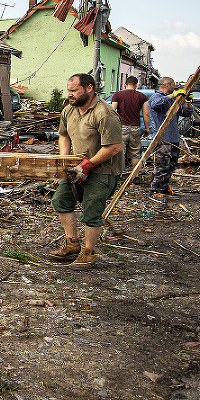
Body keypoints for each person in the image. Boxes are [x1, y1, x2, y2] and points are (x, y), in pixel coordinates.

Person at [48, 73, 124, 269]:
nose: (70, 94)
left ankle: (88, 253)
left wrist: (87, 165)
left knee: (91, 212)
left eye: (74, 90)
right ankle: (71, 243)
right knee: (60, 200)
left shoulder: (104, 113)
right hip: (75, 168)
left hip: (102, 170)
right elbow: (63, 135)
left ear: (89, 88)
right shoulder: (69, 111)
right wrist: (65, 160)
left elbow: (114, 146)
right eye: (68, 90)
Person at [147, 77, 194, 203]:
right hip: (162, 138)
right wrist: (173, 95)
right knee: (161, 166)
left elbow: (186, 113)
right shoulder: (157, 97)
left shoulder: (173, 101)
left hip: (174, 138)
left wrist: (188, 101)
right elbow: (155, 105)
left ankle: (164, 188)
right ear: (167, 85)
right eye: (173, 84)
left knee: (171, 166)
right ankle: (155, 192)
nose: (175, 86)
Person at [111, 76, 150, 170]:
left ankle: (119, 175)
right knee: (135, 153)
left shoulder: (117, 95)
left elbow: (112, 111)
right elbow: (146, 113)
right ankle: (135, 176)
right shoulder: (142, 97)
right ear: (136, 85)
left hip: (122, 127)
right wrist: (147, 128)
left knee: (120, 152)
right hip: (135, 128)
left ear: (125, 85)